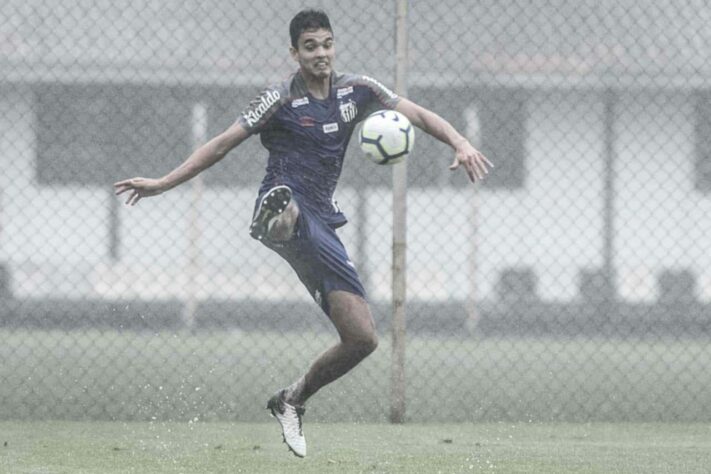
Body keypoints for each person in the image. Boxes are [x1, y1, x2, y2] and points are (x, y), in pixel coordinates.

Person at [114, 8, 492, 458]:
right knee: (287, 205)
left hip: (323, 223)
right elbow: (221, 143)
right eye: (310, 47)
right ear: (294, 53)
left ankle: (291, 400)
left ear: (335, 46)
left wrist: (460, 141)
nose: (321, 54)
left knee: (363, 339)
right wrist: (162, 183)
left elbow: (418, 114)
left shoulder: (359, 91)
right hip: (286, 202)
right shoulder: (278, 99)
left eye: (327, 44)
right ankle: (277, 220)